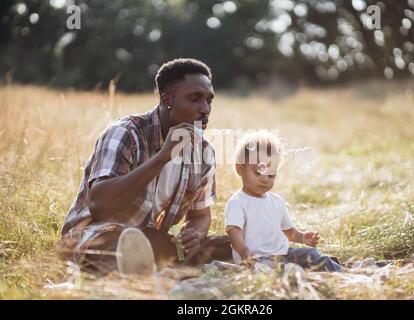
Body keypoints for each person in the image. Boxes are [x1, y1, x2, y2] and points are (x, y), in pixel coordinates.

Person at [60, 58, 231, 276]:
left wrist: (194, 235)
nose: (204, 109)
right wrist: (162, 157)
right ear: (168, 100)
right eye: (195, 99)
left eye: (209, 101)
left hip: (151, 240)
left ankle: (157, 271)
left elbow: (200, 216)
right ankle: (156, 275)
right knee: (118, 246)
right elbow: (99, 205)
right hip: (96, 235)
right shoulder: (126, 133)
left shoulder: (204, 153)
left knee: (234, 243)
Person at [225, 131, 341, 272]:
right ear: (240, 169)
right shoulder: (237, 202)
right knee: (269, 269)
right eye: (259, 172)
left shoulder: (276, 201)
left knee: (313, 255)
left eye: (271, 175)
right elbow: (234, 232)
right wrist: (244, 253)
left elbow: (289, 231)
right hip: (256, 258)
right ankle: (289, 271)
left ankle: (346, 272)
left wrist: (303, 237)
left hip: (284, 254)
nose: (265, 179)